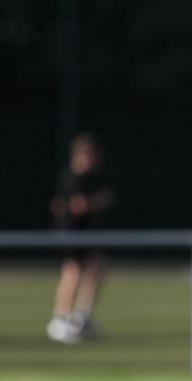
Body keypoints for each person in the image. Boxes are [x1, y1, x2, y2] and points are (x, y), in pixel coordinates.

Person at [46, 133, 115, 344]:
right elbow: (78, 206)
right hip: (71, 233)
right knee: (73, 272)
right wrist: (100, 201)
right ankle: (59, 319)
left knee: (97, 267)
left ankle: (82, 317)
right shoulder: (72, 177)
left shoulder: (89, 177)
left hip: (85, 233)